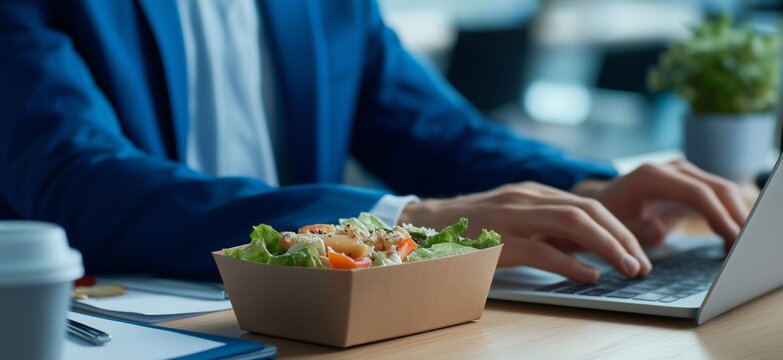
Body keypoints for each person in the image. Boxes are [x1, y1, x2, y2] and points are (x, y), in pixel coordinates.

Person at [0, 0, 748, 281]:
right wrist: (397, 227)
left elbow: (434, 133)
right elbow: (80, 182)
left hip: (324, 329)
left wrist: (586, 190)